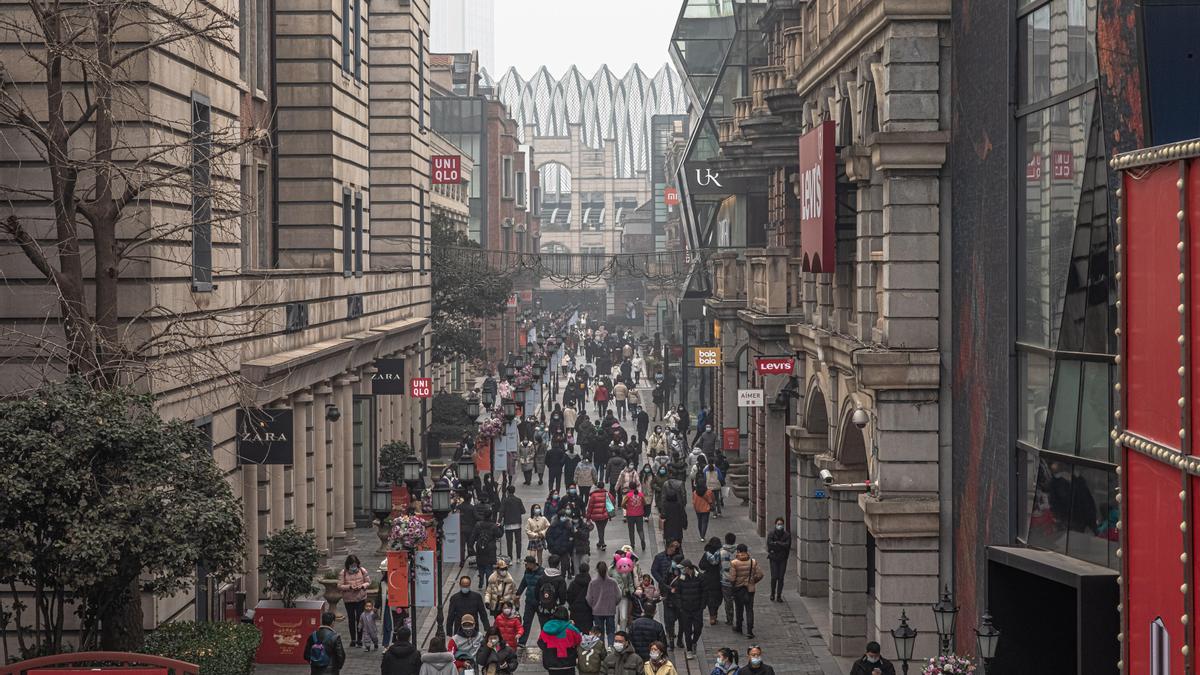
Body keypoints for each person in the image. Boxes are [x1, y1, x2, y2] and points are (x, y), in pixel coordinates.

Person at [726, 544, 763, 639]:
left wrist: (733, 584)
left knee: (739, 608)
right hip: (749, 589)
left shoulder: (734, 563)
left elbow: (732, 578)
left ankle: (739, 626)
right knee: (749, 609)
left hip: (738, 589)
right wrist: (752, 581)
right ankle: (750, 630)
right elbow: (760, 574)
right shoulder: (752, 562)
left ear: (738, 551)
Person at [669, 560, 705, 655]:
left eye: (682, 568)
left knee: (698, 628)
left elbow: (704, 592)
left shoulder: (700, 577)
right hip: (685, 609)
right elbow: (678, 593)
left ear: (688, 568)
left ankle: (694, 642)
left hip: (697, 608)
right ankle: (689, 650)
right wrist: (680, 606)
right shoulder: (681, 579)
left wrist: (702, 606)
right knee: (687, 630)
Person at [538, 607, 583, 675]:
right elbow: (579, 640)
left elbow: (540, 642)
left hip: (551, 662)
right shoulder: (571, 628)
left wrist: (547, 651)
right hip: (568, 662)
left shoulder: (547, 627)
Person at [338, 555, 370, 648]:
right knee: (351, 619)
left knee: (360, 619)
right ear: (348, 565)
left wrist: (362, 586)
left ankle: (359, 639)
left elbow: (368, 582)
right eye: (351, 565)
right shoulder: (343, 573)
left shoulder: (362, 570)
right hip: (349, 599)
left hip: (360, 598)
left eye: (355, 564)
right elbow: (339, 585)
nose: (353, 566)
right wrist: (349, 587)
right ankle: (353, 639)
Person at [587, 560, 621, 646]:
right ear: (606, 569)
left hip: (597, 611)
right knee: (611, 630)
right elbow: (618, 596)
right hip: (610, 610)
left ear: (597, 570)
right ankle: (610, 646)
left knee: (599, 631)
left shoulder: (593, 583)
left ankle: (601, 647)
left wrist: (593, 606)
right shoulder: (613, 582)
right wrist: (614, 604)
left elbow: (589, 598)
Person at [303, 611, 346, 675]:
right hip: (331, 671)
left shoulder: (313, 635)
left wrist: (315, 662)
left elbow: (306, 655)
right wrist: (337, 667)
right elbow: (341, 655)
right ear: (333, 622)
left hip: (315, 671)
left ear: (322, 621)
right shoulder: (335, 637)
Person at [516, 556, 545, 646]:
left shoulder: (542, 572)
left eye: (527, 564)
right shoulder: (527, 572)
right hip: (529, 601)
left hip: (540, 602)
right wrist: (518, 594)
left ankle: (545, 641)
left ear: (532, 564)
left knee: (543, 623)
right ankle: (522, 642)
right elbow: (523, 583)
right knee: (527, 621)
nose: (525, 566)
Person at [536, 555, 570, 628]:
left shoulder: (541, 577)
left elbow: (536, 593)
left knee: (544, 629)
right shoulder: (560, 579)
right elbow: (563, 596)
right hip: (554, 610)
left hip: (542, 609)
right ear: (558, 565)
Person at [474, 506, 503, 588]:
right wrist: (500, 526)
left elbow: (473, 536)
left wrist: (470, 546)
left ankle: (481, 578)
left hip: (480, 547)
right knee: (488, 566)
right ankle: (488, 582)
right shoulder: (493, 526)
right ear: (491, 516)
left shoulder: (478, 525)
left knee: (480, 564)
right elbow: (499, 534)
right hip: (490, 548)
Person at [698, 539, 725, 626]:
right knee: (717, 598)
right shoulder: (721, 554)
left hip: (708, 579)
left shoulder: (707, 554)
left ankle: (712, 616)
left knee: (710, 599)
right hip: (718, 579)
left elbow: (701, 566)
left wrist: (707, 567)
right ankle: (715, 614)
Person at [766, 518, 792, 602]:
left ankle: (779, 595)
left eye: (781, 524)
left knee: (781, 577)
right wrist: (780, 545)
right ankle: (772, 593)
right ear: (775, 524)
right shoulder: (771, 534)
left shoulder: (787, 535)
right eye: (778, 524)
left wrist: (776, 543)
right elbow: (770, 545)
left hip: (783, 559)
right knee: (774, 577)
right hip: (773, 558)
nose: (779, 525)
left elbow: (787, 546)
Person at [500, 486, 527, 559]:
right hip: (517, 524)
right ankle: (518, 558)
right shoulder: (518, 500)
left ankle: (510, 558)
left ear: (507, 492)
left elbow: (501, 512)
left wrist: (499, 521)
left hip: (508, 524)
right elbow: (523, 511)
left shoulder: (505, 501)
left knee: (509, 542)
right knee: (518, 542)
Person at [586, 485, 615, 551]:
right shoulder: (607, 494)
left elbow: (590, 506)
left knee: (600, 529)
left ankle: (602, 543)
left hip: (596, 515)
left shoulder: (593, 496)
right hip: (605, 515)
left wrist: (588, 517)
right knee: (602, 529)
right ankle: (601, 542)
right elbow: (613, 500)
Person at [568, 566, 595, 632]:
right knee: (586, 632)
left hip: (575, 611)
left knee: (575, 632)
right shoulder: (591, 584)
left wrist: (572, 604)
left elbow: (568, 597)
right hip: (587, 611)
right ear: (588, 570)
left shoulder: (573, 584)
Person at [719, 534, 737, 625]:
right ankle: (738, 618)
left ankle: (729, 618)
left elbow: (716, 563)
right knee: (737, 600)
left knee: (728, 601)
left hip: (726, 580)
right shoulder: (738, 552)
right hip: (737, 581)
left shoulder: (722, 552)